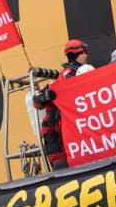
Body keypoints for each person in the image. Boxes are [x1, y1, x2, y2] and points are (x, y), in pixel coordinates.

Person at [32, 39, 90, 169]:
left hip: (74, 129)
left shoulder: (85, 72)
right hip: (55, 132)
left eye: (85, 52)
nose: (86, 55)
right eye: (82, 53)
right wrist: (46, 96)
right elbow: (37, 101)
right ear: (73, 56)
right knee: (62, 167)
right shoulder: (66, 77)